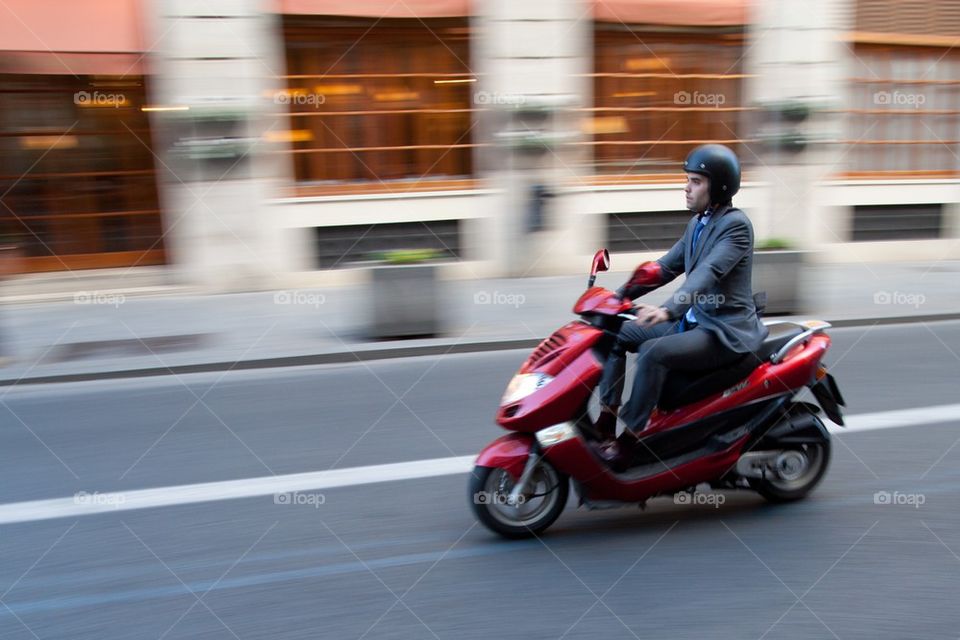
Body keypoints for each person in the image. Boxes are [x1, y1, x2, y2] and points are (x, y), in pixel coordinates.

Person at [593, 144, 768, 471]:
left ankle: (630, 439)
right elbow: (663, 268)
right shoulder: (697, 224)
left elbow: (708, 273)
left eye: (696, 182)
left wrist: (668, 310)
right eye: (687, 180)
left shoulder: (736, 226)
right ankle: (606, 417)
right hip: (694, 321)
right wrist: (615, 299)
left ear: (719, 186)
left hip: (722, 330)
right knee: (612, 332)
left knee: (651, 351)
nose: (686, 188)